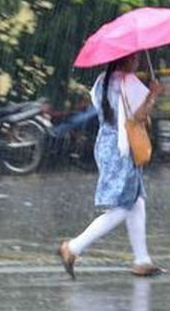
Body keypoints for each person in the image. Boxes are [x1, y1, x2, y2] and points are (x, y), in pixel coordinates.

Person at [58, 53, 163, 278]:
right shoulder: (129, 82)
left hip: (106, 145)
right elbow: (138, 117)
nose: (137, 61)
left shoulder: (101, 82)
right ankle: (73, 247)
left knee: (136, 201)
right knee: (122, 207)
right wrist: (152, 95)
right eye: (134, 57)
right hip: (124, 148)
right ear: (126, 60)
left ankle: (142, 259)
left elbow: (108, 112)